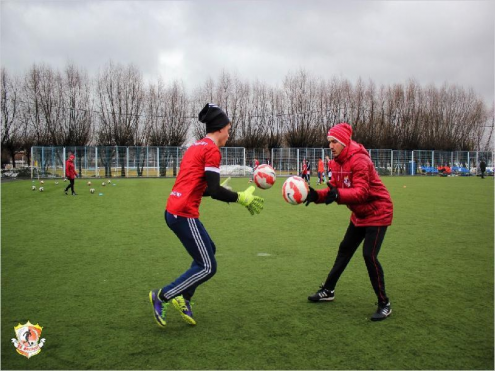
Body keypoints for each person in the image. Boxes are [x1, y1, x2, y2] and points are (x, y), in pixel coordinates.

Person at [149, 103, 264, 328]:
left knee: (209, 250)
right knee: (208, 266)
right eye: (229, 130)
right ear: (220, 128)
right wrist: (241, 198)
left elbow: (200, 187)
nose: (229, 135)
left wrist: (221, 190)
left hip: (175, 210)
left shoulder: (195, 147)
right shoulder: (212, 150)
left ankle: (184, 296)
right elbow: (213, 190)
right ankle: (162, 296)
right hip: (183, 213)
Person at [304, 123, 394, 321]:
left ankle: (384, 303)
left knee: (369, 255)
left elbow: (361, 193)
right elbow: (333, 190)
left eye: (334, 141)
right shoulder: (336, 163)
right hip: (359, 214)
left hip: (378, 211)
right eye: (329, 142)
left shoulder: (360, 160)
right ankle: (328, 290)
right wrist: (314, 196)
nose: (331, 145)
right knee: (345, 249)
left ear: (344, 142)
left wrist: (337, 195)